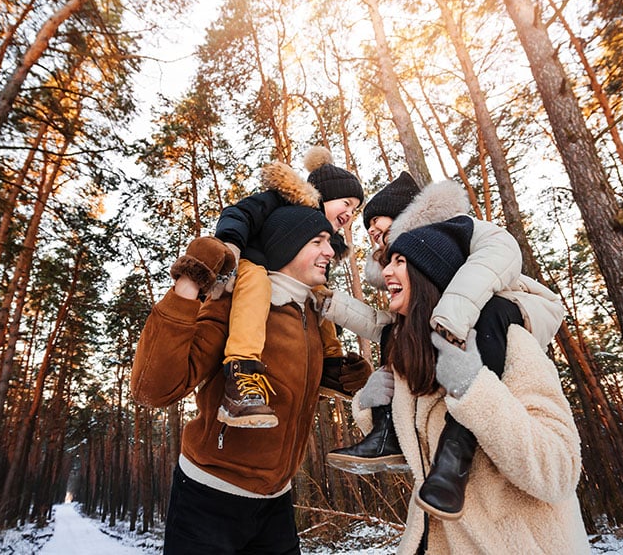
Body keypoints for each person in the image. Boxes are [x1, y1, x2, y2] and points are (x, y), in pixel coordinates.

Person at [131, 205, 371, 555]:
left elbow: (285, 397)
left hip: (276, 501)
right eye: (317, 241)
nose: (330, 251)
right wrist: (188, 283)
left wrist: (336, 377)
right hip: (210, 497)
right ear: (287, 245)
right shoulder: (235, 304)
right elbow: (154, 388)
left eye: (329, 242)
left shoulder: (313, 314)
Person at [322, 176, 565, 519]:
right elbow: (385, 324)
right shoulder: (420, 339)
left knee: (486, 317)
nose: (372, 232)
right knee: (397, 331)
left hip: (505, 307)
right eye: (370, 232)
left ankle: (457, 451)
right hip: (445, 321)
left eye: (377, 223)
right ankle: (385, 430)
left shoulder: (462, 232)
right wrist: (372, 404)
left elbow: (500, 253)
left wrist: (453, 317)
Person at [356, 220, 590, 553]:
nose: (386, 273)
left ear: (430, 274)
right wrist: (370, 403)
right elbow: (413, 450)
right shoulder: (414, 361)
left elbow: (560, 471)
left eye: (400, 262)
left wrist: (475, 390)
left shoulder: (512, 344)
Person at [213, 147, 365, 428]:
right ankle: (241, 371)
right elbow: (240, 213)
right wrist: (230, 245)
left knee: (323, 295)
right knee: (256, 283)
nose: (350, 213)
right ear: (325, 194)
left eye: (355, 210)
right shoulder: (283, 200)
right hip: (255, 264)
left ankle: (331, 365)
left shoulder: (326, 246)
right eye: (346, 203)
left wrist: (331, 334)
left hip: (293, 285)